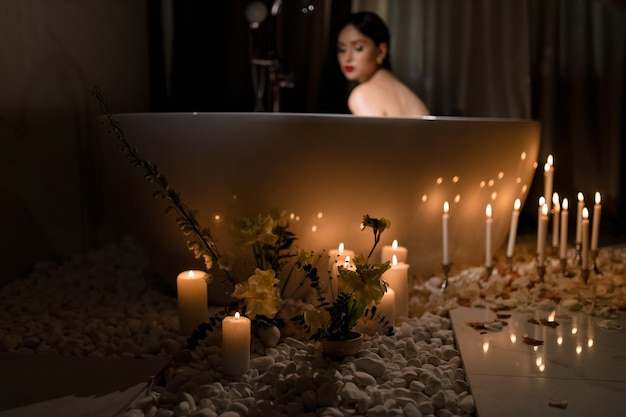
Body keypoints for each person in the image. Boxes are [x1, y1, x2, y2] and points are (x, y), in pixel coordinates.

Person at [336, 11, 430, 117]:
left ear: (381, 51)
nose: (347, 58)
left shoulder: (362, 95)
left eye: (358, 48)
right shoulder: (412, 98)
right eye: (342, 49)